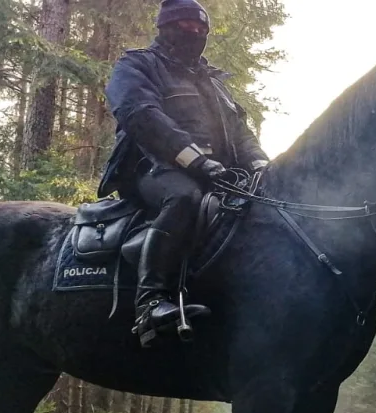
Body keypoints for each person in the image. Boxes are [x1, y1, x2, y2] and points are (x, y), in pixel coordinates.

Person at [99, 0, 269, 347]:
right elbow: (141, 115)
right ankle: (149, 303)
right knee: (184, 198)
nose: (195, 33)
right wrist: (194, 160)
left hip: (217, 174)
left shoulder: (214, 82)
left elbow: (240, 133)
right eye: (186, 26)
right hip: (152, 168)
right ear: (165, 28)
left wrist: (263, 167)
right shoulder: (137, 64)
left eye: (201, 29)